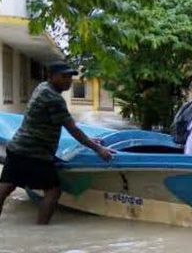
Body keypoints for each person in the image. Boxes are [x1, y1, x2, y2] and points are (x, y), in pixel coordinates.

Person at [0, 62, 114, 225]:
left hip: (17, 146)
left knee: (6, 187)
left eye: (70, 77)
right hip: (36, 153)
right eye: (63, 76)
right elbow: (72, 128)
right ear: (50, 75)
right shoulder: (54, 98)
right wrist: (98, 148)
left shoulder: (42, 87)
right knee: (53, 191)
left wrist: (88, 140)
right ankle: (41, 229)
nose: (68, 80)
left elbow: (53, 124)